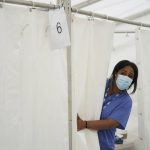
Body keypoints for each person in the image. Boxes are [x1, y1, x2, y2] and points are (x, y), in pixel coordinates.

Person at [77, 60, 138, 150]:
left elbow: (110, 123)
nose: (126, 77)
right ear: (116, 72)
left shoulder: (126, 101)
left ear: (132, 82)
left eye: (130, 76)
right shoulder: (101, 84)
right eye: (123, 73)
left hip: (103, 145)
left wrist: (84, 124)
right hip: (82, 140)